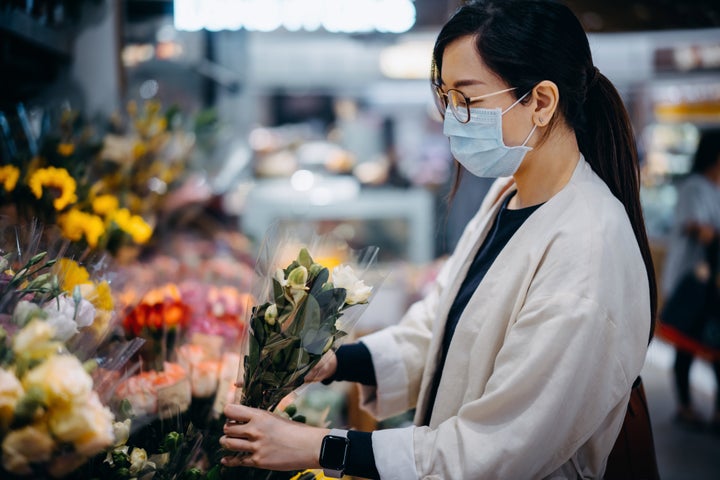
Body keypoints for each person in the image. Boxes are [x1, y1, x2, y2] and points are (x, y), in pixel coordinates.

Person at [220, 0, 657, 477]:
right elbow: (441, 327)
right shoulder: (508, 196)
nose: (451, 119)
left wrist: (323, 447)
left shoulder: (588, 249)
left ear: (542, 101)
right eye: (446, 99)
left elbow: (497, 447)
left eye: (467, 100)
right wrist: (331, 362)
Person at [660, 127, 720, 433]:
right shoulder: (694, 187)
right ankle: (685, 407)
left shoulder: (714, 188)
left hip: (710, 284)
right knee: (686, 343)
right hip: (690, 281)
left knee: (710, 343)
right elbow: (697, 228)